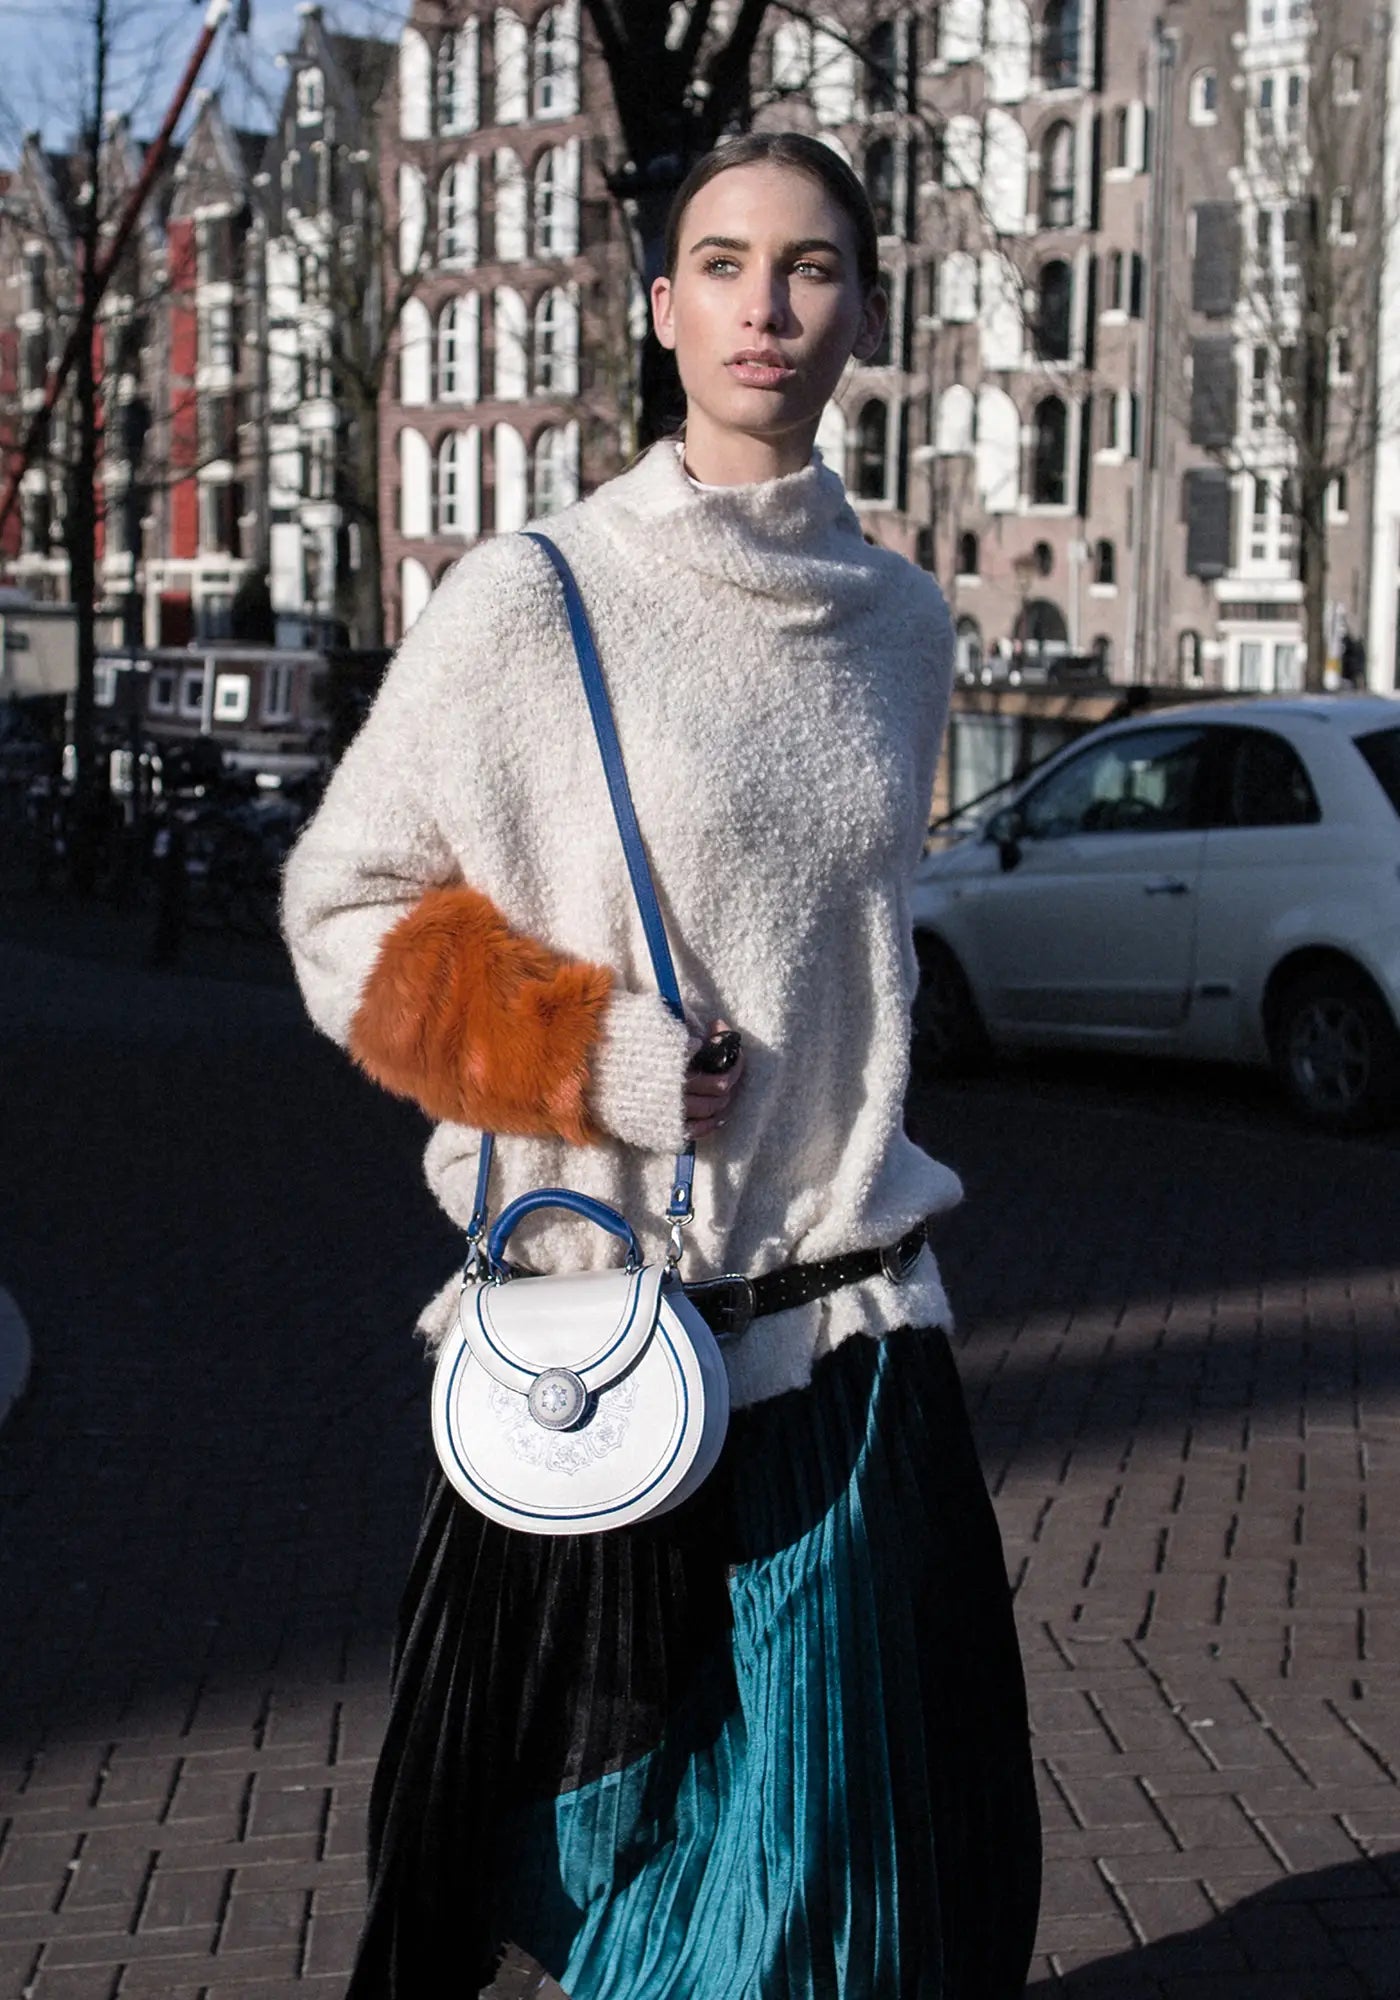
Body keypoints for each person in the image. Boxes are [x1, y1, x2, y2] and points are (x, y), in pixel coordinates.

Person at [281, 131, 1040, 2000]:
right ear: (658, 308)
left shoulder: (905, 623)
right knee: (619, 1869)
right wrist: (591, 1056)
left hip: (851, 1344)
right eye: (721, 263)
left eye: (806, 267)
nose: (765, 306)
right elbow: (338, 908)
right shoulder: (533, 598)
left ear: (864, 309)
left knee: (873, 1896)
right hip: (607, 1351)